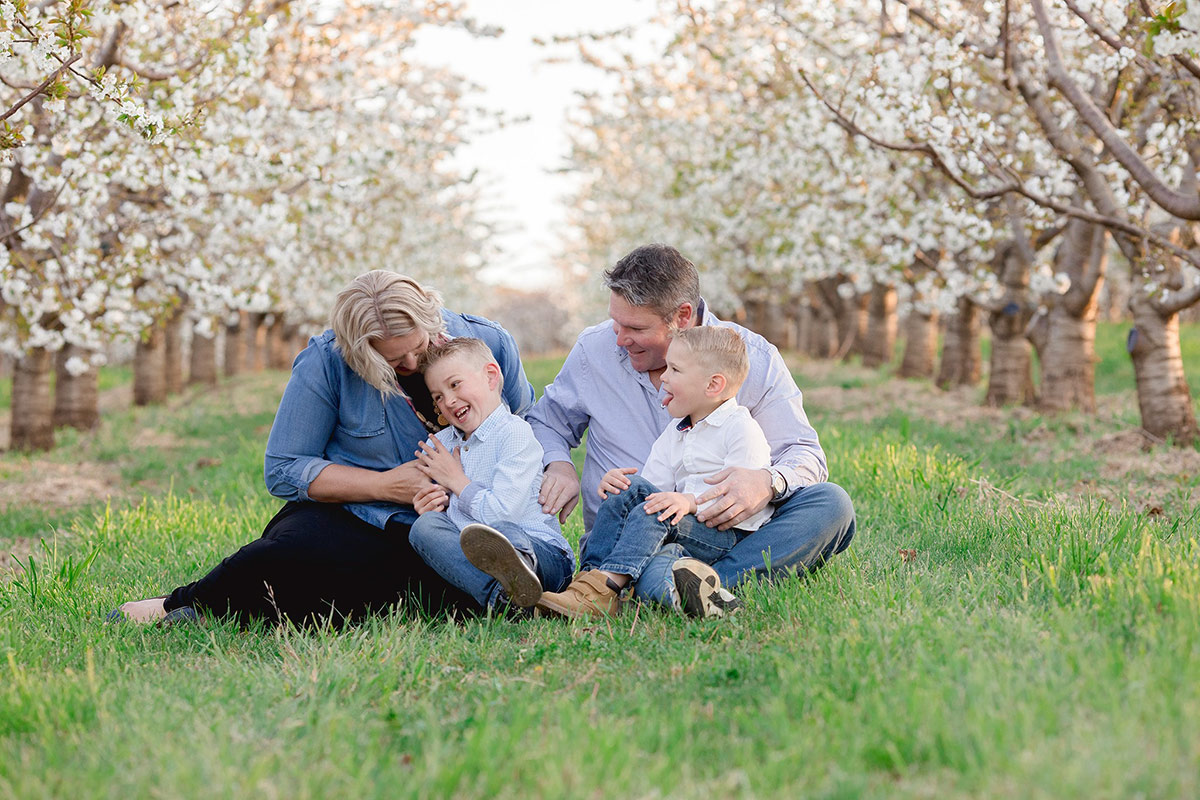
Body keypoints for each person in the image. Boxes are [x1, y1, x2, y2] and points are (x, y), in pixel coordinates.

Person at [113, 270, 536, 626]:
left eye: (420, 348)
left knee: (425, 587)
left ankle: (243, 607)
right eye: (392, 361)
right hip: (361, 516)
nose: (411, 365)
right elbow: (283, 468)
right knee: (290, 556)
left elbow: (530, 424)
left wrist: (558, 467)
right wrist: (387, 485)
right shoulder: (327, 360)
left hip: (460, 520)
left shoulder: (487, 341)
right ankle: (184, 602)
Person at [527, 243, 856, 606]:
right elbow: (547, 422)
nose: (619, 340)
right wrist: (558, 466)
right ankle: (645, 583)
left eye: (635, 327)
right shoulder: (595, 349)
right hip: (626, 533)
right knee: (644, 516)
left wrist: (768, 482)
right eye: (615, 322)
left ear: (683, 316)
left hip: (719, 535)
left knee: (832, 504)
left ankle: (697, 583)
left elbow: (803, 452)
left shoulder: (753, 359)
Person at [538, 326, 771, 619]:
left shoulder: (741, 428)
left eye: (675, 369)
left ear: (713, 385)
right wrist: (619, 486)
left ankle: (606, 589)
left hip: (726, 533)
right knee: (631, 489)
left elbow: (742, 500)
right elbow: (650, 488)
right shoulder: (677, 430)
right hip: (686, 521)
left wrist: (690, 502)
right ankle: (587, 582)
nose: (664, 377)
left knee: (656, 511)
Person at [407, 337, 572, 613]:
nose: (448, 401)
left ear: (491, 376)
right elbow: (452, 518)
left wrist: (457, 482)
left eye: (455, 384)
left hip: (543, 555)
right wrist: (434, 505)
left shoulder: (514, 434)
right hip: (479, 561)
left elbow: (502, 514)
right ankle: (503, 598)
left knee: (506, 534)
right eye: (437, 396)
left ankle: (518, 583)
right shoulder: (443, 444)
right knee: (424, 529)